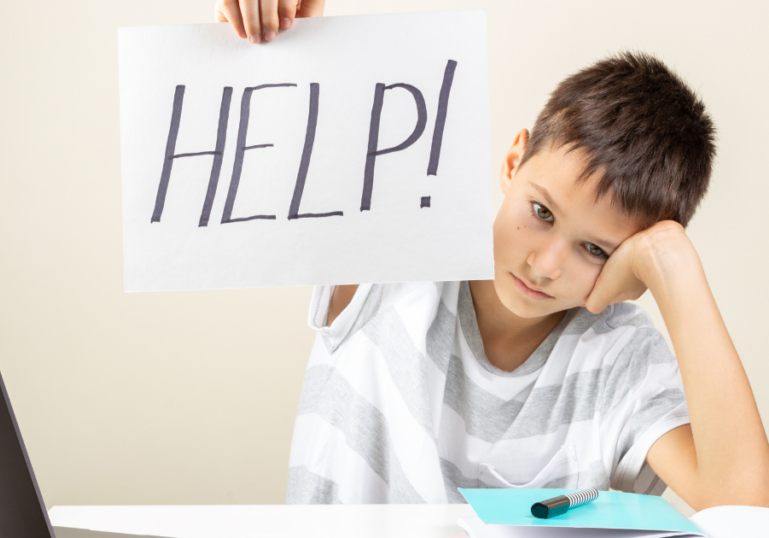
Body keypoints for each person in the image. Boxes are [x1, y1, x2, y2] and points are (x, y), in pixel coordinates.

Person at [215, 0, 769, 509]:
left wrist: (675, 267)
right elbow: (287, 125)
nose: (546, 264)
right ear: (512, 164)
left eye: (595, 249)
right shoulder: (400, 248)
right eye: (543, 212)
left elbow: (744, 509)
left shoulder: (621, 358)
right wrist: (272, 29)